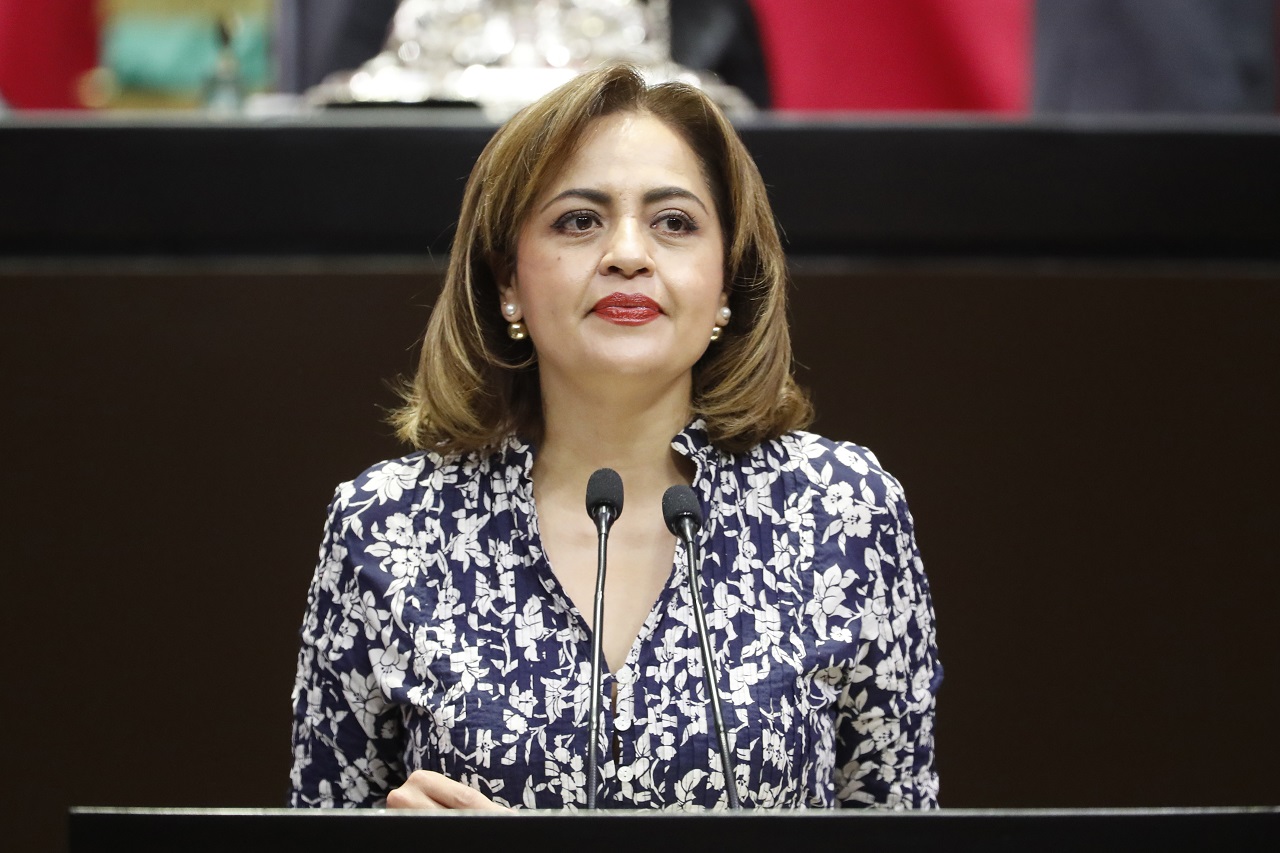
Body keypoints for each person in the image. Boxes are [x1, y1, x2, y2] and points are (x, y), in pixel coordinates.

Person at [288, 63, 941, 810]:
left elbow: (902, 828)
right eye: (578, 221)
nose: (628, 253)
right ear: (507, 280)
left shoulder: (842, 513)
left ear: (727, 280)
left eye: (674, 223)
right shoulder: (387, 525)